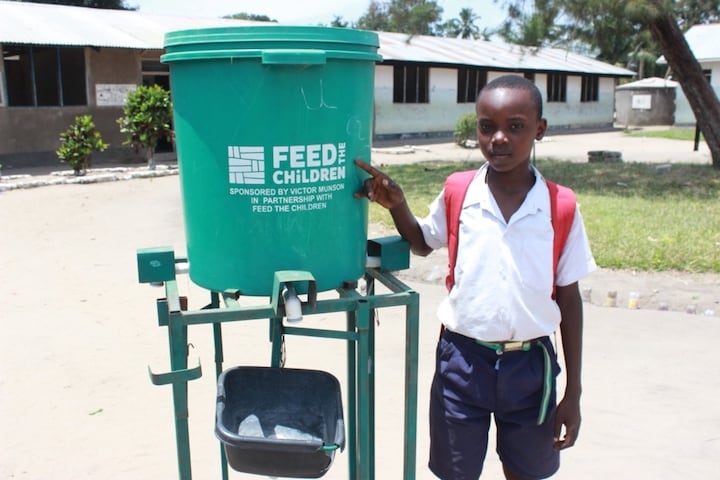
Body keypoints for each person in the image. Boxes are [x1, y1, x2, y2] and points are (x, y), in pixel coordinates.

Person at [354, 75, 596, 480]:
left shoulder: (560, 205)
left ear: (539, 129)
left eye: (515, 126)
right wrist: (397, 205)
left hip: (531, 366)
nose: (499, 138)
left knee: (527, 472)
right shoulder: (459, 191)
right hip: (462, 361)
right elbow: (422, 242)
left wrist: (573, 391)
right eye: (488, 126)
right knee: (455, 472)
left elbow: (569, 300)